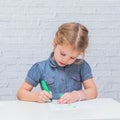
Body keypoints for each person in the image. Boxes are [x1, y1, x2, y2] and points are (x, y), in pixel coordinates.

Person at [17, 22, 97, 104]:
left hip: (74, 114)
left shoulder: (82, 66)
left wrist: (77, 95)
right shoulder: (40, 68)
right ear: (55, 43)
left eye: (72, 57)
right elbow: (20, 93)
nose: (65, 60)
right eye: (62, 54)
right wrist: (37, 96)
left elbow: (93, 92)